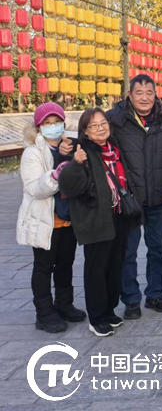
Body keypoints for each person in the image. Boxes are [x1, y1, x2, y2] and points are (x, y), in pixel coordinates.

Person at [59, 108, 137, 336]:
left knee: (115, 266)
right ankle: (97, 317)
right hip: (94, 218)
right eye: (94, 125)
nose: (101, 128)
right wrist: (75, 163)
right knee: (96, 269)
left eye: (103, 123)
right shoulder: (81, 151)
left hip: (119, 215)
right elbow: (68, 187)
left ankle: (109, 310)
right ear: (85, 131)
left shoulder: (115, 148)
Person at [106, 74, 162, 319]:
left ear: (156, 94)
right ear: (129, 95)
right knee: (128, 251)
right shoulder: (114, 120)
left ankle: (155, 294)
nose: (144, 98)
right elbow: (93, 141)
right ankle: (131, 300)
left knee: (158, 249)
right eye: (139, 93)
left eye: (149, 92)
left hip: (158, 197)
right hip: (129, 199)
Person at [17, 102, 86, 333]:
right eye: (47, 123)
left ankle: (64, 304)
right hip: (44, 219)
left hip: (68, 217)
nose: (53, 126)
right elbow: (34, 189)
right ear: (38, 127)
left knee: (66, 263)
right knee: (44, 266)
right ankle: (44, 313)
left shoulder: (71, 146)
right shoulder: (32, 153)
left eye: (57, 122)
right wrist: (56, 174)